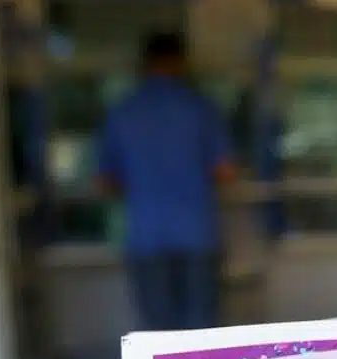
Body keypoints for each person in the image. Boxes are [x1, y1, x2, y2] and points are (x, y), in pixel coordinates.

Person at [99, 32, 236, 331]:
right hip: (197, 233)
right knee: (201, 328)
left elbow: (107, 182)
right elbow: (225, 172)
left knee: (157, 332)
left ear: (144, 63)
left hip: (146, 235)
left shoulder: (124, 112)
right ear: (181, 62)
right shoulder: (201, 108)